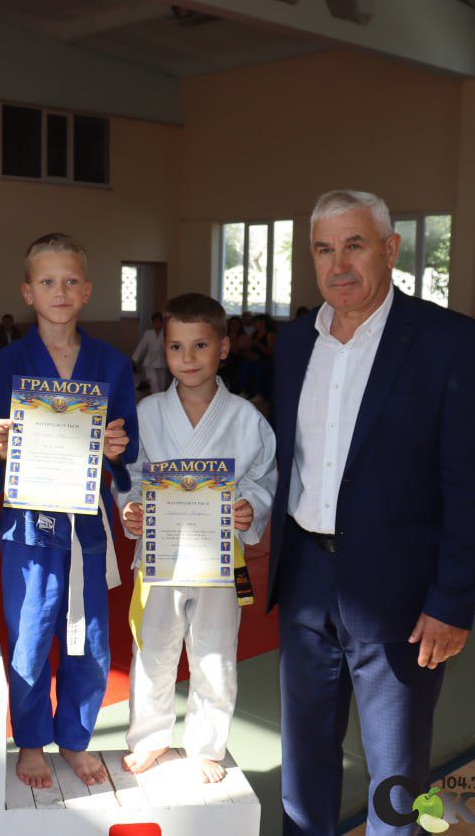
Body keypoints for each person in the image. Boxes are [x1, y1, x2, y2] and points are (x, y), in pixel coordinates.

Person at [268, 190, 475, 835]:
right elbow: (288, 460)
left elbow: (474, 485)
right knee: (303, 764)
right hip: (306, 580)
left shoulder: (449, 342)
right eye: (324, 249)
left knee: (396, 775)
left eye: (355, 245)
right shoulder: (295, 343)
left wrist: (453, 602)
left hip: (401, 592)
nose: (338, 264)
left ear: (391, 250)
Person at [0, 233, 135, 790]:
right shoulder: (5, 364)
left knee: (90, 638)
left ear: (86, 291)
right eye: (46, 282)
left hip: (86, 526)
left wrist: (118, 449)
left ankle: (77, 740)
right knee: (32, 634)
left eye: (70, 281)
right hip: (28, 527)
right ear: (27, 292)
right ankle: (32, 741)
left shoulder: (113, 363)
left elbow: (127, 441)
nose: (59, 291)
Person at [117, 293, 276, 783]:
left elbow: (263, 477)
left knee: (215, 651)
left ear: (223, 348)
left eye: (200, 345)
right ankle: (149, 739)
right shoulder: (148, 413)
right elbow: (131, 477)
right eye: (176, 347)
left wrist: (251, 507)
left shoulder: (246, 418)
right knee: (152, 648)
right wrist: (131, 510)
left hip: (220, 560)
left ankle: (206, 745)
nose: (187, 358)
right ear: (163, 349)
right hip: (159, 556)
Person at [131, 311, 168, 393]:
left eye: (158, 322)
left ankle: (160, 398)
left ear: (162, 322)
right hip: (149, 363)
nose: (156, 324)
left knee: (161, 385)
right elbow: (141, 346)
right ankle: (156, 399)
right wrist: (134, 359)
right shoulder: (148, 333)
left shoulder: (166, 334)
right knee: (154, 382)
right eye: (154, 322)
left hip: (161, 363)